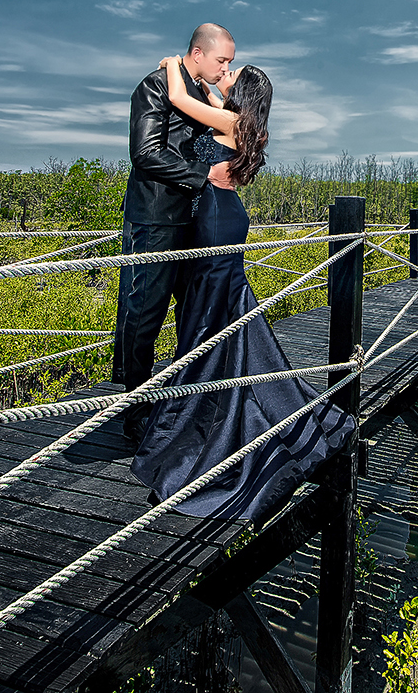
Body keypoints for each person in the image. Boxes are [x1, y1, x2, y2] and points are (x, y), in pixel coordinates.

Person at [131, 55, 354, 518]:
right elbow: (212, 97)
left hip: (213, 218)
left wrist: (174, 62)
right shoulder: (250, 125)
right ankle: (217, 397)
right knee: (219, 316)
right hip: (228, 218)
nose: (222, 76)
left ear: (242, 93)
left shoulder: (230, 118)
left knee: (206, 319)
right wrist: (215, 85)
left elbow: (176, 97)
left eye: (232, 74)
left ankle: (200, 424)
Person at [115, 24, 236, 442]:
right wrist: (203, 177)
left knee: (192, 311)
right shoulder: (153, 86)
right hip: (155, 218)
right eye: (222, 61)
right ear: (198, 54)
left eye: (231, 64)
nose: (225, 69)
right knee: (144, 310)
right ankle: (134, 404)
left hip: (197, 221)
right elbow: (145, 153)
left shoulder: (199, 93)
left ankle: (183, 399)